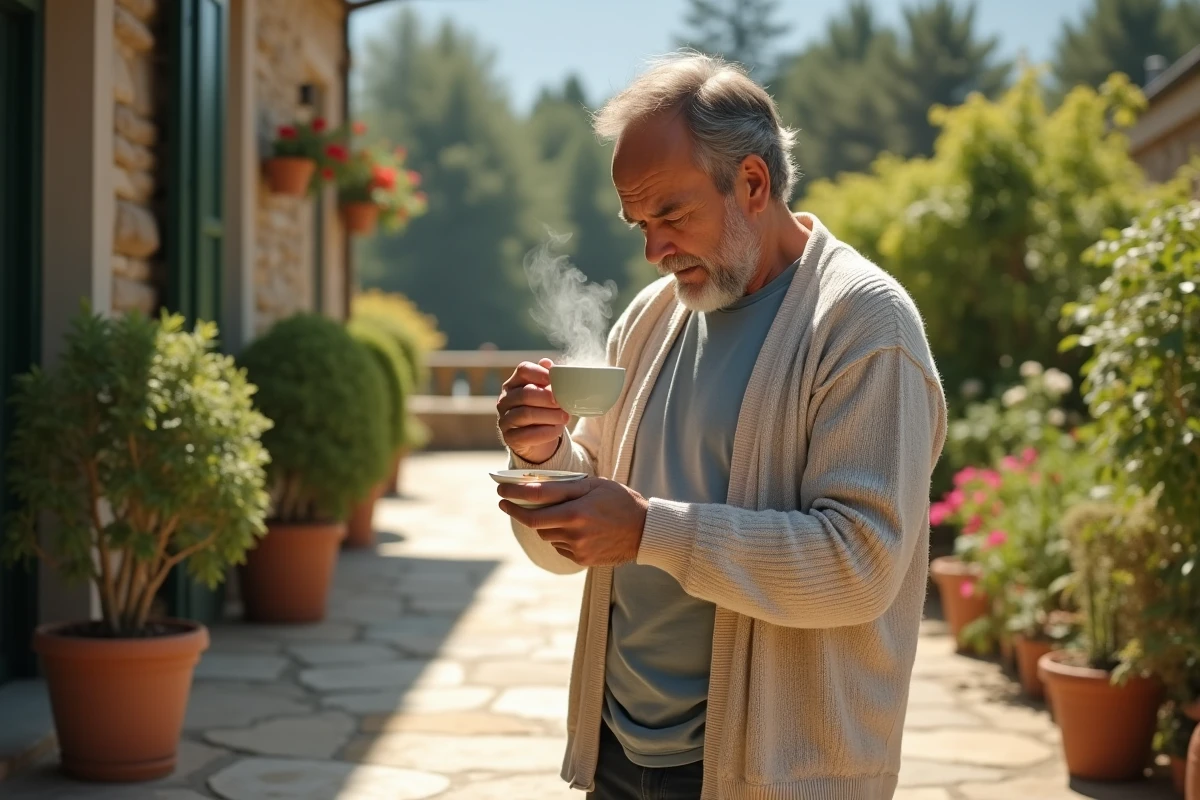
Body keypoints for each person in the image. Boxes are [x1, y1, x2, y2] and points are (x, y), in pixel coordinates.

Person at [494, 51, 947, 800]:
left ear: (753, 183)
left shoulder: (865, 323)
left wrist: (647, 531)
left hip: (769, 773)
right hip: (617, 750)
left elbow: (861, 565)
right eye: (639, 223)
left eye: (670, 215)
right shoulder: (650, 318)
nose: (654, 249)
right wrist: (546, 455)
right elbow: (574, 549)